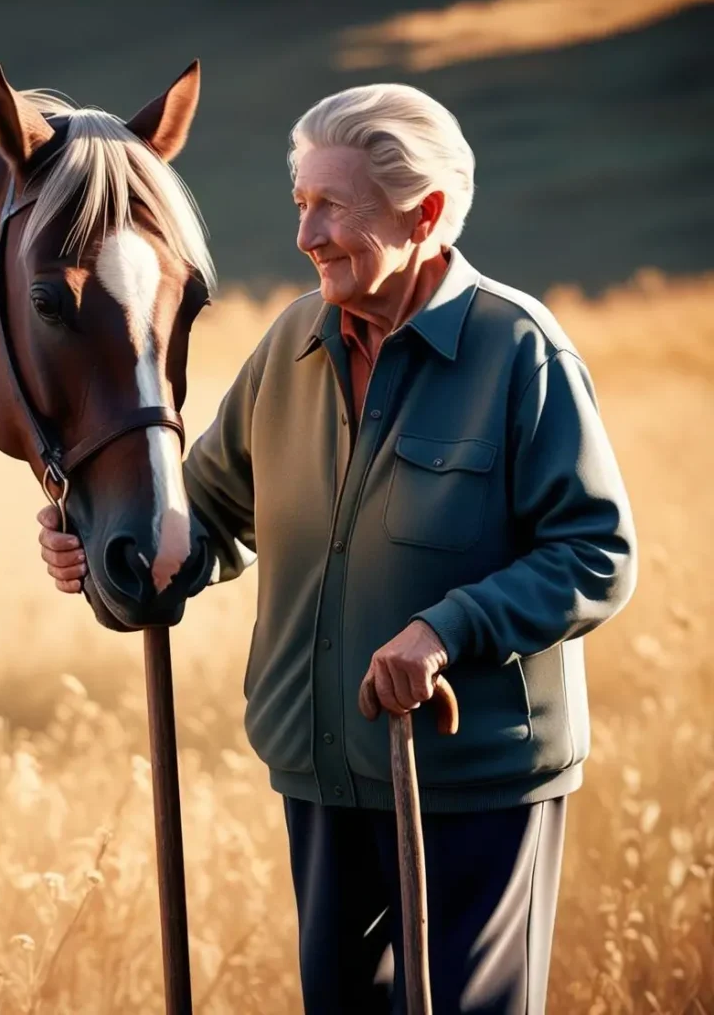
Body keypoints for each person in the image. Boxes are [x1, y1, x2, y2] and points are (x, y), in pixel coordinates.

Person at [36, 83, 637, 1013]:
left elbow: (595, 553)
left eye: (333, 207)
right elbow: (205, 516)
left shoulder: (520, 350)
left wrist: (446, 631)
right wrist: (117, 548)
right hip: (319, 776)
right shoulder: (290, 348)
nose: (306, 235)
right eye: (299, 204)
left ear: (425, 214)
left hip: (471, 787)